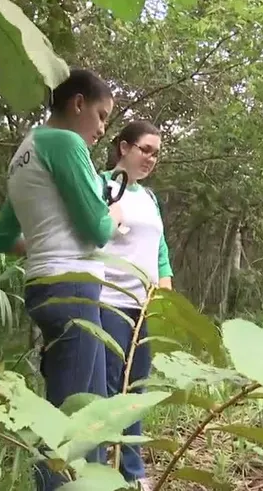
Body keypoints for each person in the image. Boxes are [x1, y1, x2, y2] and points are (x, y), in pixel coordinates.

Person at [0, 68, 120, 490]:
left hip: (44, 284)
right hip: (74, 287)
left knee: (87, 407)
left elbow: (3, 238)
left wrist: (46, 244)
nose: (101, 129)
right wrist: (114, 216)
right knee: (73, 420)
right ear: (77, 103)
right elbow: (96, 229)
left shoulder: (23, 153)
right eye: (101, 116)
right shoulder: (65, 142)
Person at [98, 120, 173, 490]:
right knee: (111, 385)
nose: (151, 159)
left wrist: (165, 290)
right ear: (123, 147)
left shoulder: (149, 197)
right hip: (108, 300)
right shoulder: (100, 185)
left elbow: (160, 250)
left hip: (144, 306)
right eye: (145, 150)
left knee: (137, 386)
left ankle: (133, 470)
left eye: (156, 154)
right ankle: (104, 468)